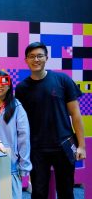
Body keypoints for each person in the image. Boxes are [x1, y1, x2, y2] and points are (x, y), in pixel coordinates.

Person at [15, 42, 86, 199]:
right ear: (26, 60)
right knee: (39, 192)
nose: (36, 59)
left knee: (66, 191)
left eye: (40, 56)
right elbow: (20, 123)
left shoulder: (62, 80)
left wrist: (81, 145)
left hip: (65, 145)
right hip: (36, 148)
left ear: (47, 58)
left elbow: (76, 114)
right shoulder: (21, 89)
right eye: (32, 56)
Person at [0, 70, 32, 199]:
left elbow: (24, 137)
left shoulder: (17, 107)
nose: (0, 86)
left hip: (11, 165)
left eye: (4, 82)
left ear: (9, 84)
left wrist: (24, 165)